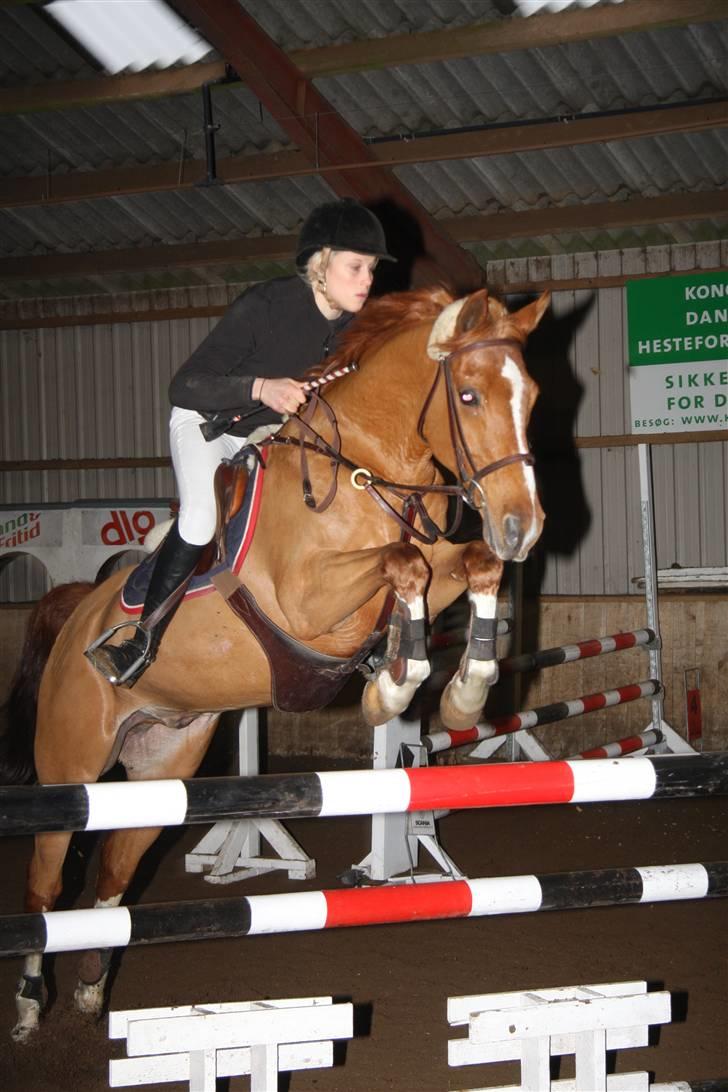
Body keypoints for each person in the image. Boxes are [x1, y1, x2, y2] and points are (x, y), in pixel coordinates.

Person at [86, 198, 395, 686]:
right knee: (202, 517)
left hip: (267, 439)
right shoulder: (266, 305)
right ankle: (141, 640)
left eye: (372, 269)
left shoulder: (356, 328)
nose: (367, 279)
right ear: (321, 264)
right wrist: (260, 387)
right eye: (356, 266)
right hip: (206, 425)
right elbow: (183, 385)